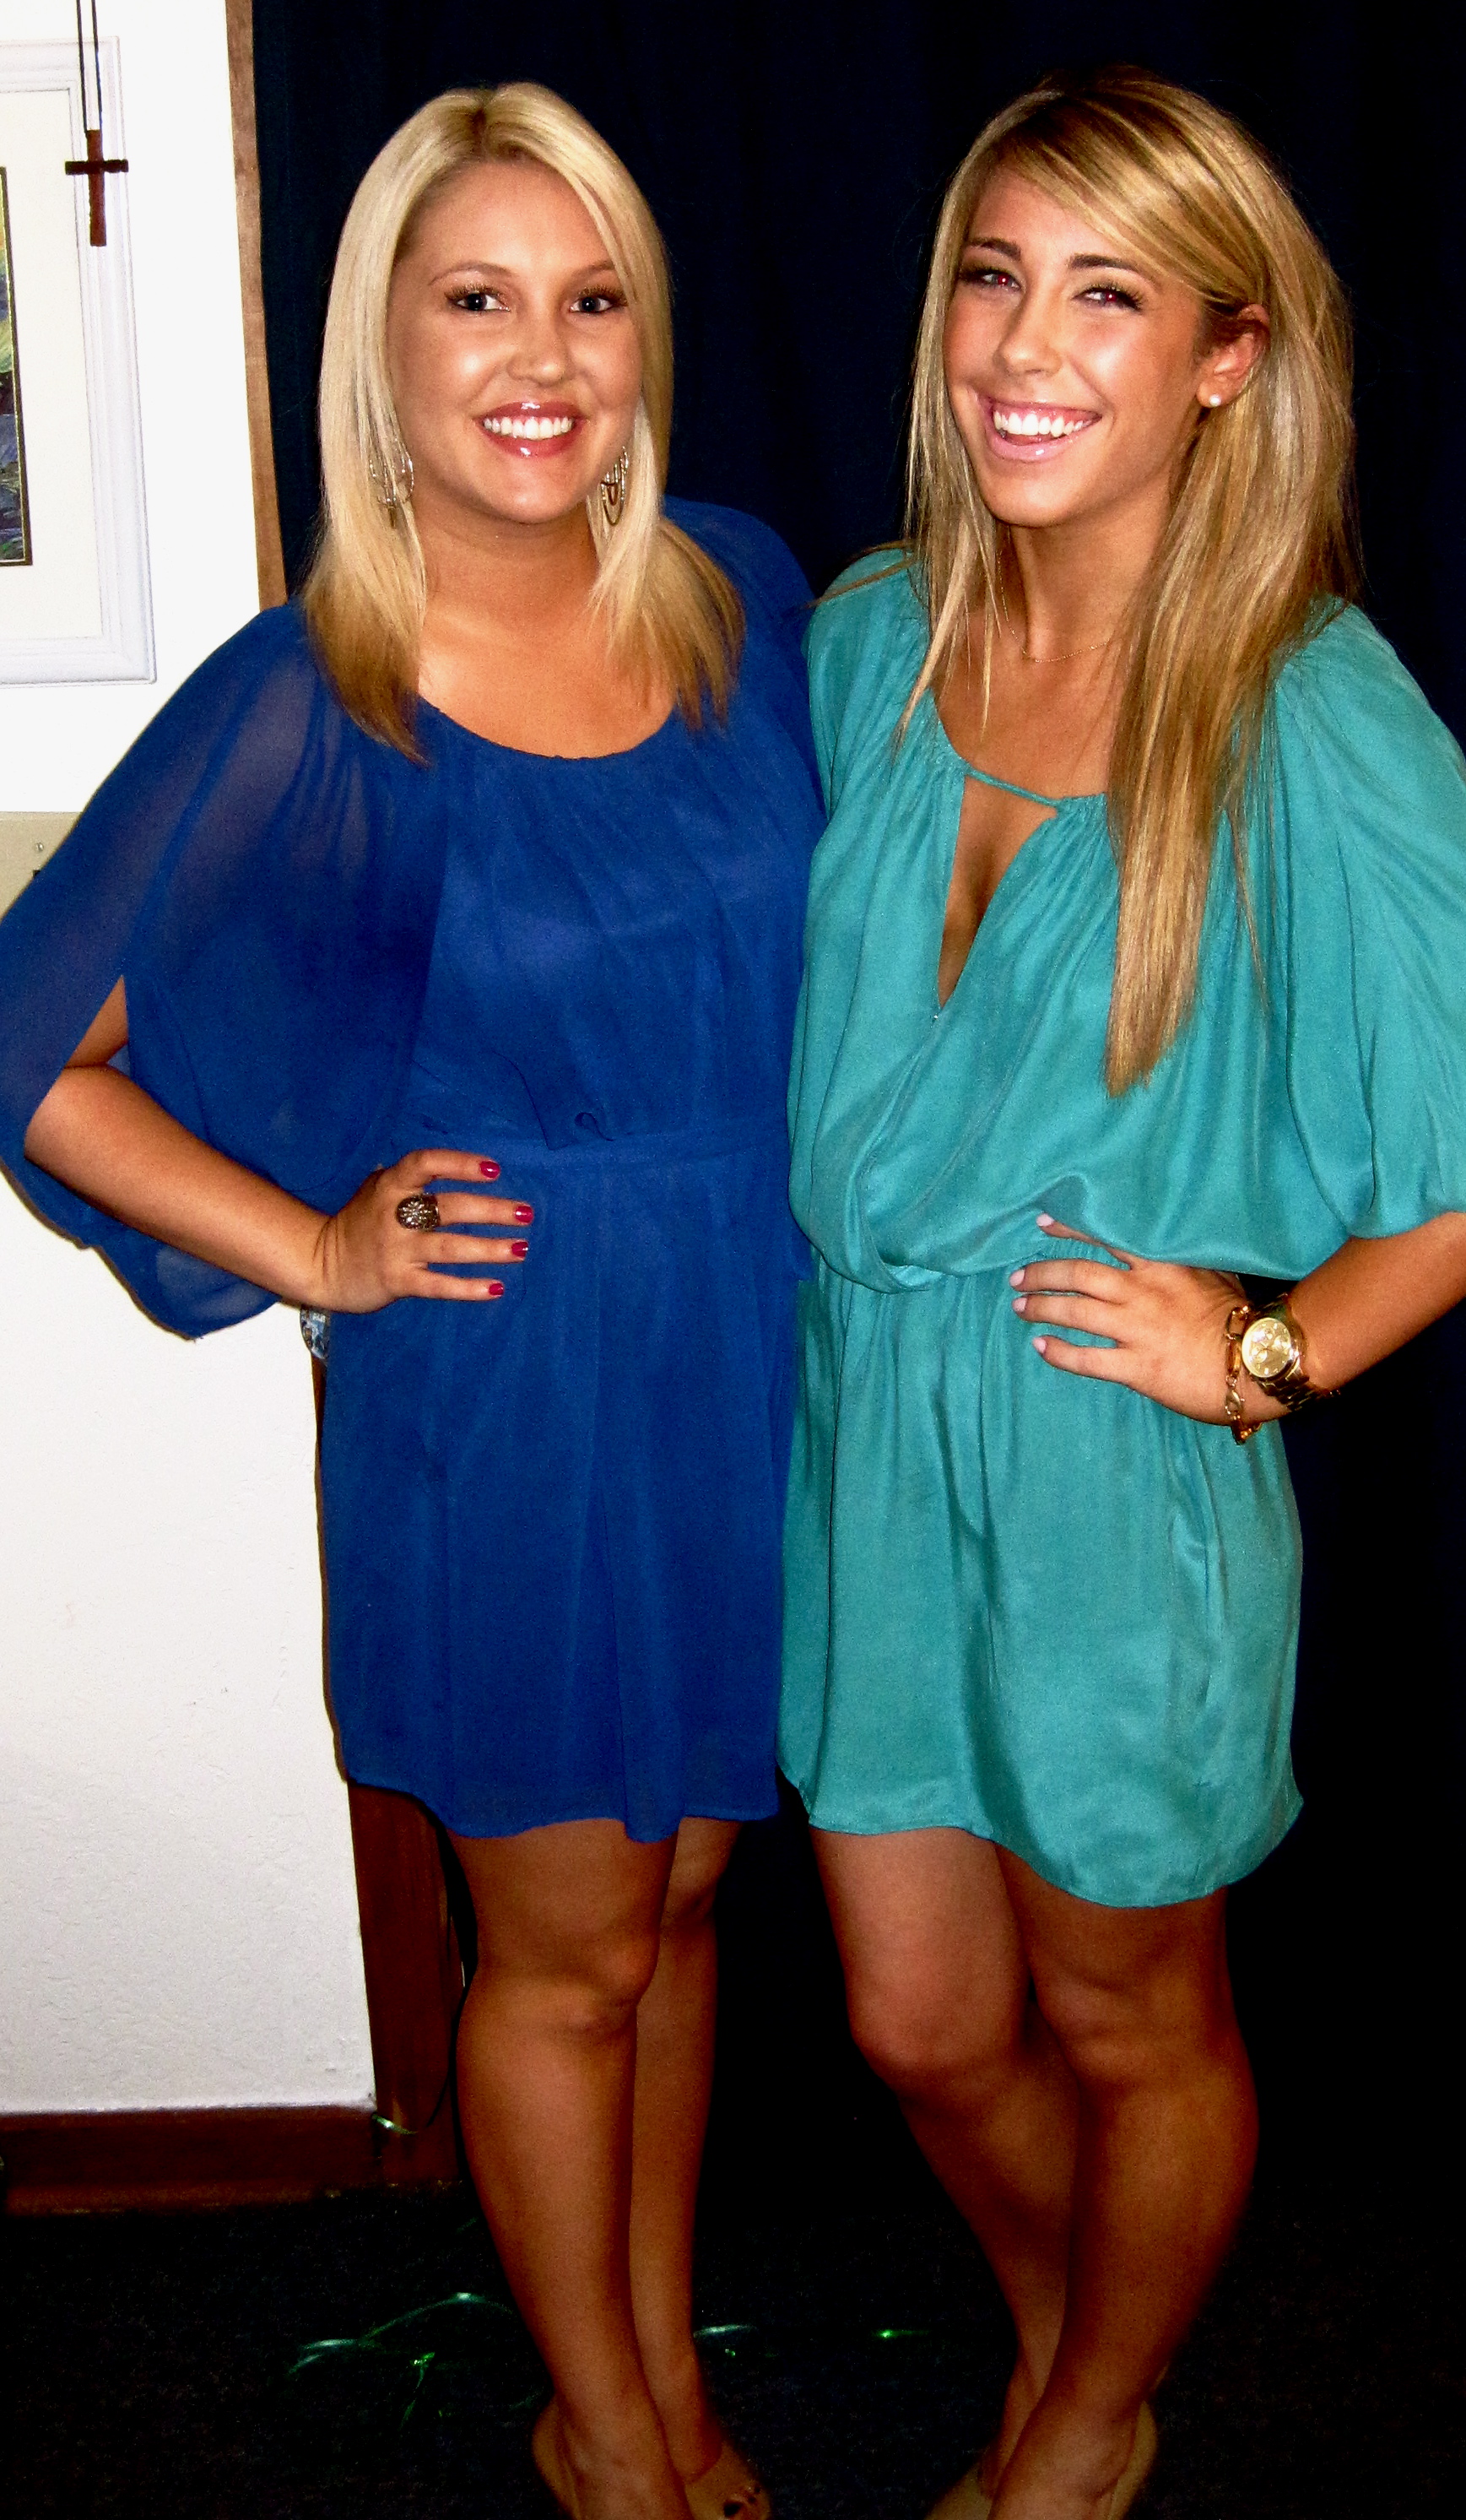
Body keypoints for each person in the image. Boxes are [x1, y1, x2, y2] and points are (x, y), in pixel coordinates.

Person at [779, 66, 1466, 2520]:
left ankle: (1078, 2435)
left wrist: (1270, 1348)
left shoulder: (1294, 691)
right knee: (918, 2023)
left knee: (1127, 2013)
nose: (1024, 348)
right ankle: (1091, 2340)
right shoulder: (864, 642)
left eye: (1109, 296)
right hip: (867, 1417)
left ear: (1228, 359)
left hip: (1107, 1453)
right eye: (993, 277)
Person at [0, 84, 820, 2520]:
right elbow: (40, 1043)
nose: (543, 359)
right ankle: (604, 2439)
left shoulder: (742, 592)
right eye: (479, 298)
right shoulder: (319, 689)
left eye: (592, 299)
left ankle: (651, 2378)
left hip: (753, 1344)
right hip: (519, 1386)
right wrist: (318, 1245)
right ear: (382, 341)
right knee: (564, 1952)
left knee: (684, 1903)